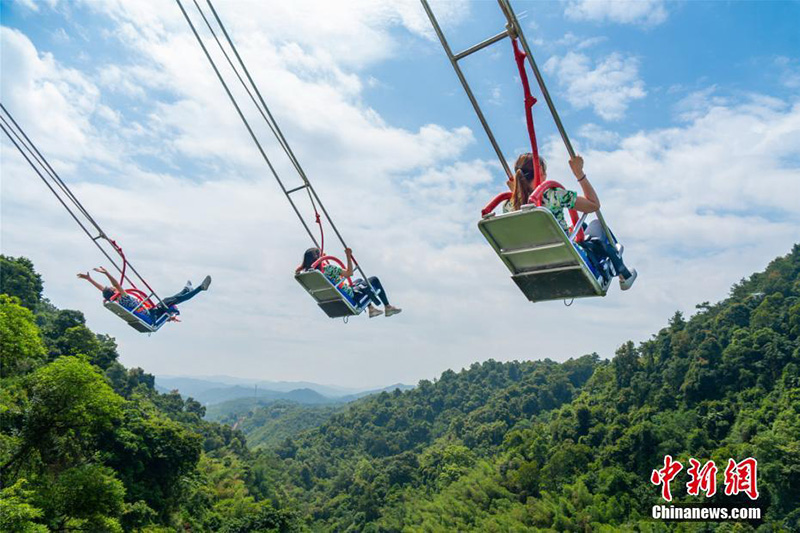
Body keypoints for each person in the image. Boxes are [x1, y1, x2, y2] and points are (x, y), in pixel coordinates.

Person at [504, 153, 637, 290]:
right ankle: (623, 274)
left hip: (534, 263)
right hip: (564, 259)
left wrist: (517, 192)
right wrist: (579, 173)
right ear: (541, 173)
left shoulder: (508, 206)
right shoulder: (552, 194)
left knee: (582, 227)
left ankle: (622, 272)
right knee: (597, 225)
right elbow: (594, 205)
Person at [77, 266, 211, 324]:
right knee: (172, 300)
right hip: (152, 313)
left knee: (169, 300)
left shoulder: (118, 302)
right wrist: (106, 273)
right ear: (114, 292)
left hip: (151, 313)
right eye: (112, 288)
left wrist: (89, 280)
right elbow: (116, 285)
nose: (114, 288)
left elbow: (104, 291)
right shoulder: (124, 298)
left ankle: (186, 290)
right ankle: (200, 288)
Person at [296, 247, 402, 318]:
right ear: (318, 258)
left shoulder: (312, 275)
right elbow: (349, 273)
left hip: (335, 296)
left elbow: (298, 271)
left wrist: (318, 261)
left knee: (359, 281)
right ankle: (388, 307)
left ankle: (371, 309)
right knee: (374, 279)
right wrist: (348, 255)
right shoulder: (328, 269)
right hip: (349, 294)